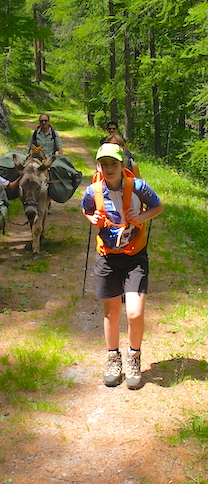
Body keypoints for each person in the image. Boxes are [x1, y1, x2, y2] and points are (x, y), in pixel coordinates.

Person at [81, 143, 163, 390]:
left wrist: (143, 217)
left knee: (135, 312)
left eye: (113, 164)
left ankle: (134, 358)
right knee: (111, 312)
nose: (109, 169)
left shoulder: (138, 187)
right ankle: (113, 359)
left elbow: (158, 206)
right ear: (98, 166)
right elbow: (86, 209)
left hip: (135, 255)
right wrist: (91, 218)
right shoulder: (92, 190)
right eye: (104, 164)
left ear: (122, 165)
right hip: (107, 257)